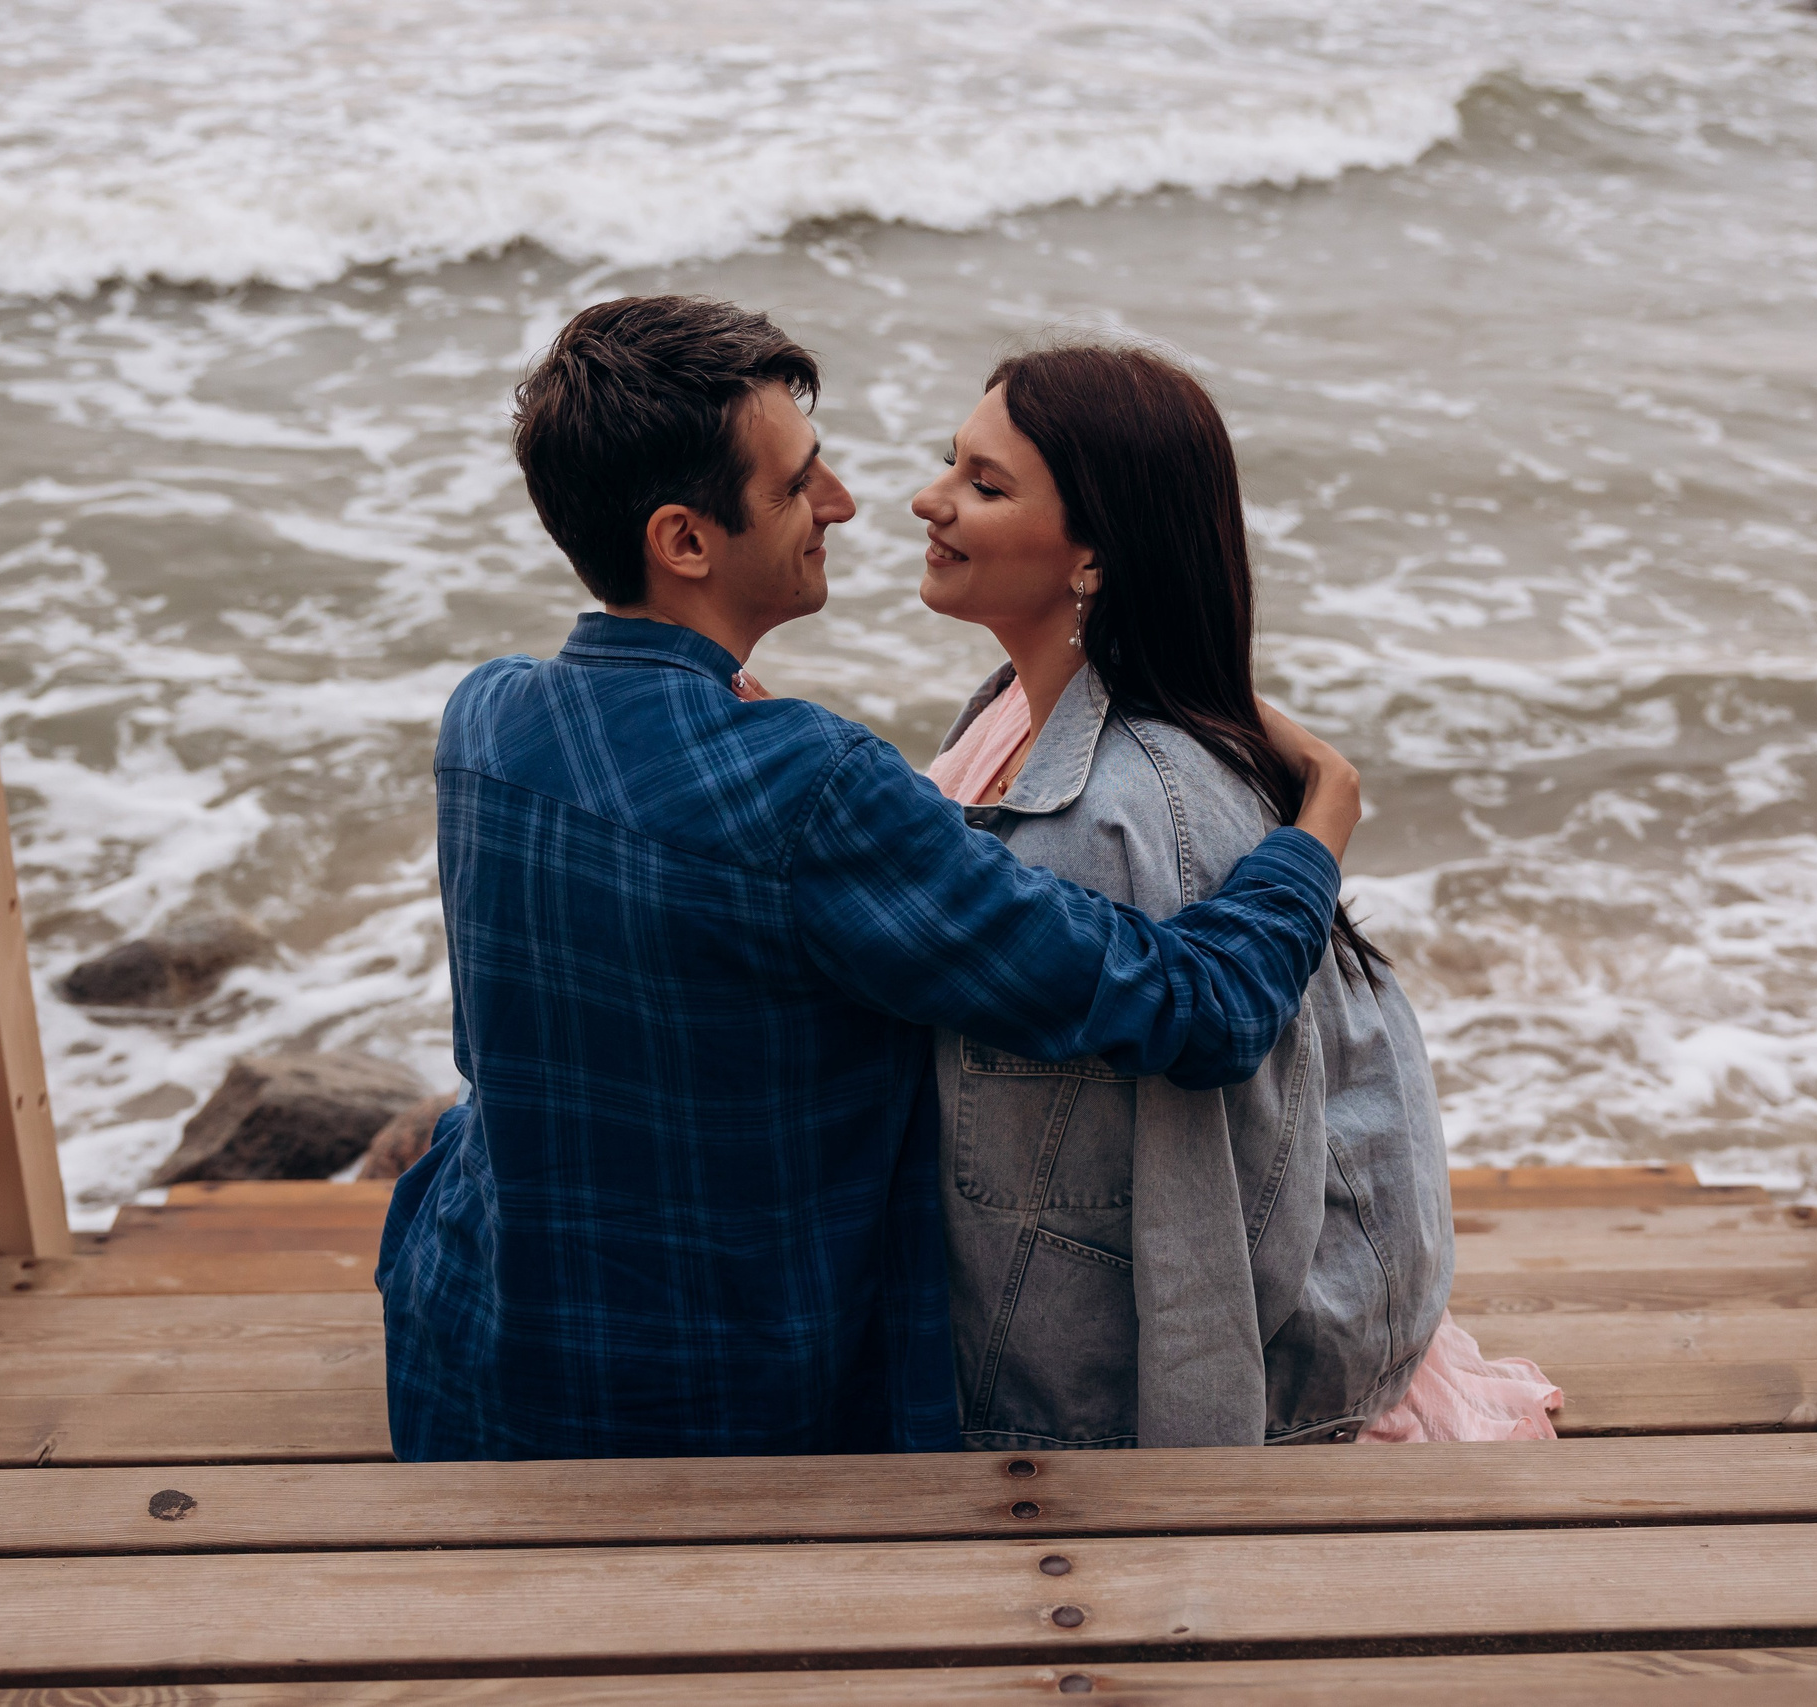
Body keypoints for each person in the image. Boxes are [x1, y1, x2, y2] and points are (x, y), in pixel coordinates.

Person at [378, 296, 1368, 1461]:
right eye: (797, 483)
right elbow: (1202, 1008)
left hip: (467, 1349)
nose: (845, 501)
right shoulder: (811, 789)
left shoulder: (485, 716)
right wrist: (1318, 823)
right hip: (722, 1422)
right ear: (685, 541)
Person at [917, 341, 1559, 1448]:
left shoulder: (1119, 816)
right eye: (950, 462)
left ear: (1094, 558)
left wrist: (1200, 1476)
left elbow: (1207, 1190)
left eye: (985, 484)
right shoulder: (1018, 710)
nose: (929, 500)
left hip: (1115, 1404)